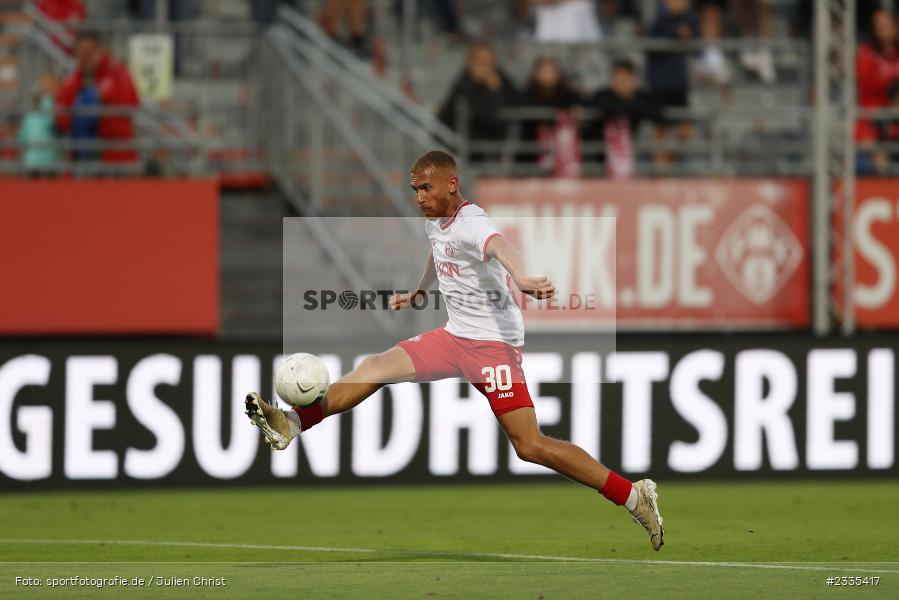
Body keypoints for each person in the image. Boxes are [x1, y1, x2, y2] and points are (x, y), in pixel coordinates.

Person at [245, 150, 665, 552]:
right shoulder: (436, 219)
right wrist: (417, 292)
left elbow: (500, 245)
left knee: (529, 445)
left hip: (491, 348)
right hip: (453, 338)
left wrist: (521, 277)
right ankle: (293, 423)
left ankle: (632, 495)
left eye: (426, 188)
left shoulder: (471, 221)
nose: (419, 198)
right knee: (376, 367)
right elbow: (438, 252)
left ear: (452, 184)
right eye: (415, 189)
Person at [55, 32, 140, 165]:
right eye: (80, 54)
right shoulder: (73, 79)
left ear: (100, 50)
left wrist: (102, 99)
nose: (85, 58)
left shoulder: (117, 73)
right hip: (81, 158)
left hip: (114, 158)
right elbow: (61, 118)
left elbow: (131, 102)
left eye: (88, 53)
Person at [438, 43, 517, 162]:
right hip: (468, 140)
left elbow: (514, 101)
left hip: (497, 138)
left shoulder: (500, 76)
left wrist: (495, 89)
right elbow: (457, 108)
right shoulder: (463, 80)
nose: (483, 66)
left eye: (487, 60)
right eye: (479, 60)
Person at [587, 59, 661, 178]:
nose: (621, 81)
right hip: (605, 156)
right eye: (618, 76)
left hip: (638, 154)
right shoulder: (602, 96)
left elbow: (657, 114)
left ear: (634, 79)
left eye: (625, 77)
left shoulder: (644, 97)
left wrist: (628, 102)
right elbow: (596, 109)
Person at [646, 0, 698, 168]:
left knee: (684, 129)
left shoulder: (690, 19)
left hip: (679, 84)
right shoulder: (659, 19)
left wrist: (689, 36)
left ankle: (673, 162)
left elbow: (700, 46)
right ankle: (661, 168)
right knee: (661, 129)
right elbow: (651, 46)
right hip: (660, 84)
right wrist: (674, 33)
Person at [518, 56, 582, 167]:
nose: (547, 75)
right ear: (536, 73)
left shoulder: (567, 94)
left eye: (551, 71)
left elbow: (579, 103)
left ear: (558, 74)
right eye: (544, 71)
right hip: (532, 151)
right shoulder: (527, 94)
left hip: (561, 151)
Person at [17, 76, 60, 176]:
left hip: (36, 160)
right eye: (43, 85)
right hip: (44, 160)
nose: (44, 88)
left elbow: (22, 137)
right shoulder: (49, 107)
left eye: (47, 86)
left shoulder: (32, 113)